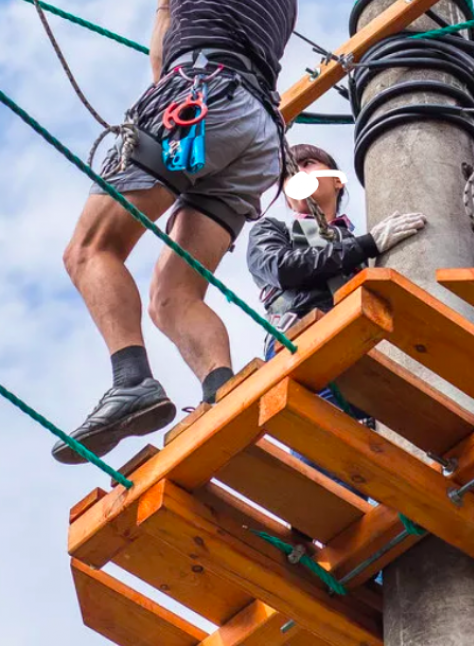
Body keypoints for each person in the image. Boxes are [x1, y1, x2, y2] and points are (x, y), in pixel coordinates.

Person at [54, 0, 298, 464]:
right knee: (174, 297)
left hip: (201, 94)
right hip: (259, 131)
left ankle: (131, 381)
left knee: (90, 250)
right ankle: (225, 396)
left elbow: (160, 68)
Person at [247, 143, 426, 494]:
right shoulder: (273, 230)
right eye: (289, 172)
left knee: (382, 470)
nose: (298, 174)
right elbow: (282, 268)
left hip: (366, 355)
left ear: (338, 181)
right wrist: (366, 245)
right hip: (305, 348)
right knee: (328, 468)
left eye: (309, 164)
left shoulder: (363, 243)